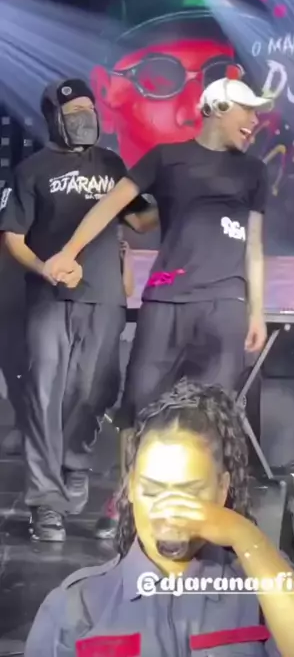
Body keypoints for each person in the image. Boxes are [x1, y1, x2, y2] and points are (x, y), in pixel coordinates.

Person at [43, 77, 271, 537]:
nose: (254, 121)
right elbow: (109, 208)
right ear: (217, 108)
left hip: (224, 303)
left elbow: (255, 247)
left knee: (214, 414)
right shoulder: (166, 158)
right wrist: (69, 251)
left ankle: (203, 509)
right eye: (246, 111)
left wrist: (257, 312)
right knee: (140, 405)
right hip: (166, 300)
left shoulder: (254, 172)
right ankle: (127, 498)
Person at [24, 381, 294, 657]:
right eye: (152, 491)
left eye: (189, 493)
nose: (170, 511)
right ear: (131, 486)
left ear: (222, 489)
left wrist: (245, 538)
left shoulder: (261, 589)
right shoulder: (79, 604)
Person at [0, 78, 157, 542]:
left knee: (96, 390)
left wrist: (173, 193)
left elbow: (141, 220)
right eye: (74, 112)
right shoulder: (31, 171)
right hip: (48, 299)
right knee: (43, 395)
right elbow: (12, 238)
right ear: (54, 118)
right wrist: (45, 267)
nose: (84, 118)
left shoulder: (111, 165)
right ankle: (45, 503)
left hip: (105, 297)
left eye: (90, 109)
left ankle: (74, 461)